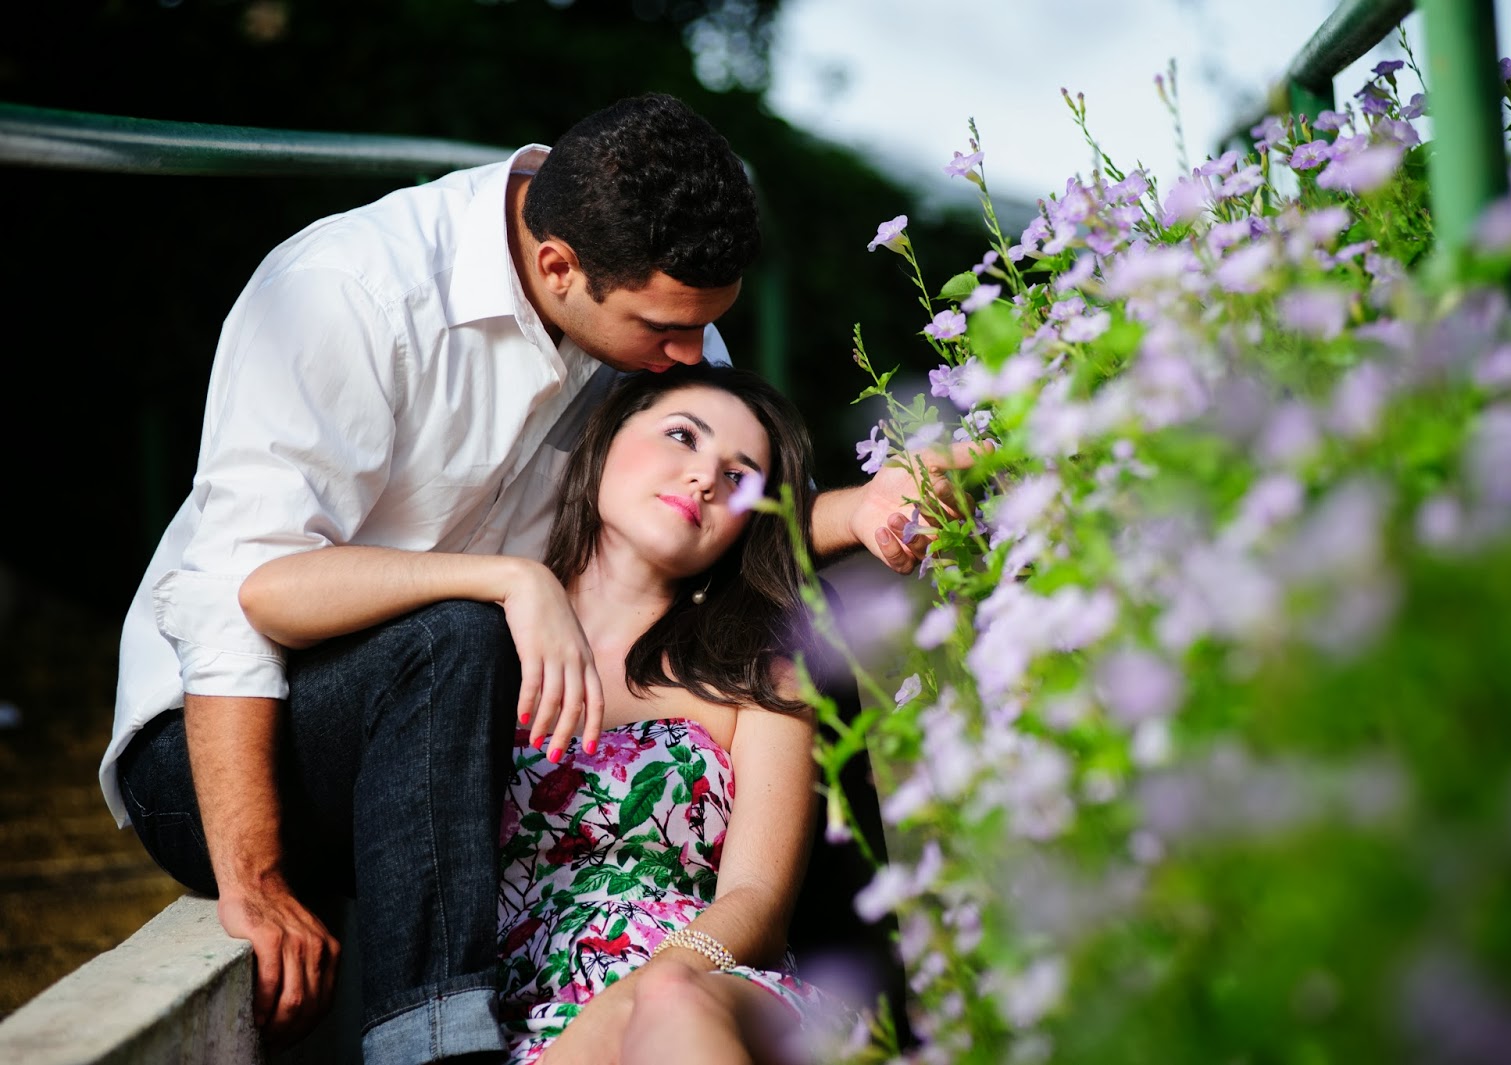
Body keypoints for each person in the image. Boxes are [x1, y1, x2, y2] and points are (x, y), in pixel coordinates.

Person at [101, 92, 940, 1063]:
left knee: (803, 642)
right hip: (231, 753)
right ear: (557, 266)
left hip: (456, 759)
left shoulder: (651, 329)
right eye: (664, 330)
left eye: (704, 332)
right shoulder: (349, 291)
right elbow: (234, 599)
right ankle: (433, 1046)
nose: (689, 359)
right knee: (457, 630)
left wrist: (864, 509)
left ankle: (877, 1015)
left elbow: (702, 514)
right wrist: (252, 878)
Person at [240, 362, 841, 1063]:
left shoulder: (762, 676)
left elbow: (758, 901)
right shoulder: (466, 652)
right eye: (683, 436)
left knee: (672, 1010)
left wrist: (650, 983)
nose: (705, 477)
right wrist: (506, 577)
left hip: (708, 979)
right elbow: (266, 593)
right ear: (608, 435)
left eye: (739, 477)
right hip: (513, 1012)